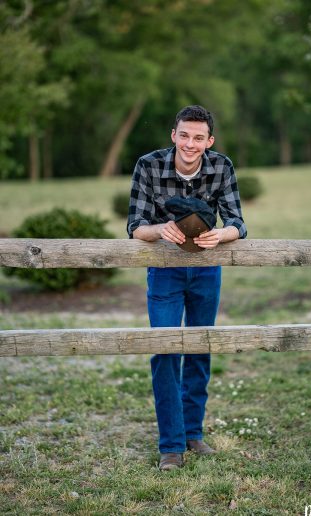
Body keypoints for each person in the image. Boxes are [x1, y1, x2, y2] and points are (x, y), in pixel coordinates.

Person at [127, 105, 247, 471]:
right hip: (164, 269)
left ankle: (193, 434)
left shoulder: (222, 166)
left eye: (198, 137)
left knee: (200, 349)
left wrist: (221, 234)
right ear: (173, 135)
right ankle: (171, 446)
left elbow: (238, 223)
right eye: (184, 135)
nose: (190, 144)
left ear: (209, 141)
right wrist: (159, 230)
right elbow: (135, 225)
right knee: (164, 351)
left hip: (207, 268)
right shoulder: (148, 165)